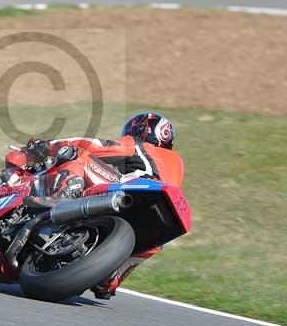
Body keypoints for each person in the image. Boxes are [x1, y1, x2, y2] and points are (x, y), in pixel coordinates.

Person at [21, 112, 183, 299]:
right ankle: (110, 279)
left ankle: (61, 197)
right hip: (163, 216)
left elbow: (92, 145)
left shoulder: (138, 145)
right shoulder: (176, 162)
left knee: (78, 155)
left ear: (140, 129)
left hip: (133, 191)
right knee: (148, 248)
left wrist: (47, 145)